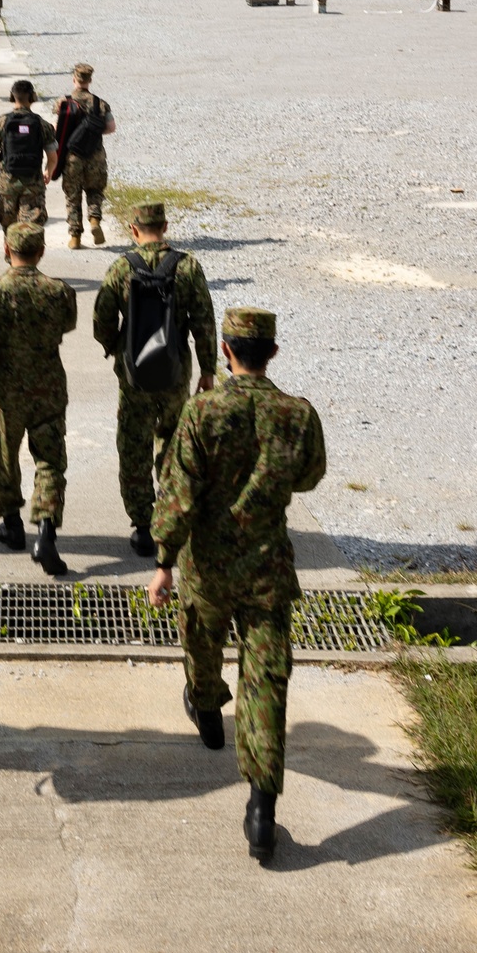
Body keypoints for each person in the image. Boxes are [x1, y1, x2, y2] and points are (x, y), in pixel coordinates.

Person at [148, 307, 326, 859]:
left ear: (225, 350)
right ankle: (261, 809)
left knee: (201, 651)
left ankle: (204, 708)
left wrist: (163, 560)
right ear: (271, 352)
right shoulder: (297, 415)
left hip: (207, 571)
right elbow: (311, 475)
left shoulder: (202, 411)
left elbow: (177, 492)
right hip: (267, 571)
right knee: (266, 683)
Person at [93, 201, 216, 557]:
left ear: (133, 229)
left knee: (134, 446)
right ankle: (172, 516)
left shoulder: (121, 268)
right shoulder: (187, 266)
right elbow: (204, 323)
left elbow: (102, 320)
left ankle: (142, 527)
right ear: (164, 227)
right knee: (174, 444)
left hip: (134, 376)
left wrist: (117, 348)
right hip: (175, 373)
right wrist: (207, 369)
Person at [0, 222, 77, 576]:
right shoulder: (59, 292)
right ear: (41, 252)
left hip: (7, 391)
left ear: (6, 251)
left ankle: (11, 525)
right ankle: (46, 531)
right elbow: (67, 325)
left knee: (6, 453)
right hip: (49, 387)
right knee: (50, 460)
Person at [53, 62, 116, 249]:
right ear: (90, 80)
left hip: (72, 157)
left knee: (73, 196)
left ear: (74, 79)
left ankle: (75, 237)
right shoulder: (100, 103)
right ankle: (95, 220)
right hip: (95, 156)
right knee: (95, 190)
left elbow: (57, 129)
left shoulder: (63, 102)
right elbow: (111, 128)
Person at [0, 80, 58, 236]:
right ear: (32, 97)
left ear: (12, 97)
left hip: (7, 185)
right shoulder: (43, 125)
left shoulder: (0, 123)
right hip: (33, 184)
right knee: (30, 231)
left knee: (10, 230)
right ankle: (27, 258)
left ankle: (11, 257)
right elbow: (52, 157)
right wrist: (48, 172)